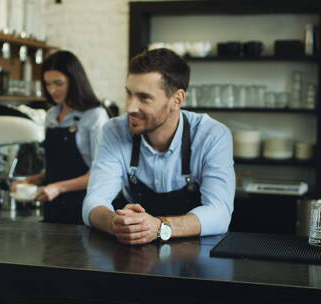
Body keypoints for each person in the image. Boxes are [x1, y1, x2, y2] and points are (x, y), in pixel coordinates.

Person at [82, 48, 235, 244]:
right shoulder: (113, 131)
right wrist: (114, 223)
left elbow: (220, 213)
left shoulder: (212, 135)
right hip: (133, 252)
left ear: (177, 100)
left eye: (144, 97)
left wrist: (160, 227)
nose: (130, 108)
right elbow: (94, 202)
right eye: (129, 94)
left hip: (195, 254)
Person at [13, 50, 110, 224]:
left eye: (58, 83)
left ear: (74, 81)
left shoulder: (95, 115)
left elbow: (100, 173)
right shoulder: (51, 115)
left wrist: (58, 187)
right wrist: (34, 180)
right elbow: (59, 167)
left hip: (84, 209)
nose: (52, 90)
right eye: (48, 84)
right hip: (53, 209)